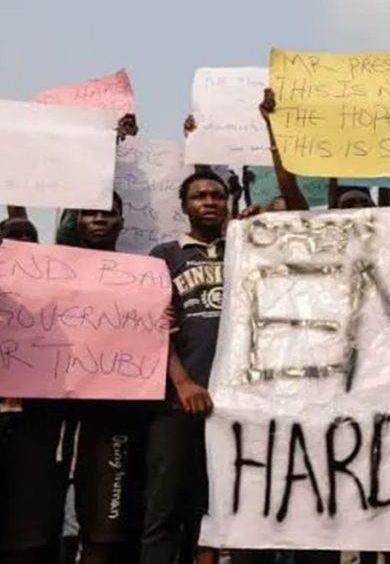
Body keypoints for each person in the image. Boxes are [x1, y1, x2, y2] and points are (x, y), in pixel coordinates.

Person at [0, 193, 149, 564]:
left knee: (103, 530)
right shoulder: (45, 269)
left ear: (121, 222)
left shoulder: (143, 276)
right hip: (45, 415)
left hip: (110, 418)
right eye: (89, 213)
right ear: (74, 221)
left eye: (108, 213)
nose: (99, 219)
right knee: (30, 528)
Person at [142, 171, 251, 564]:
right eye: (199, 196)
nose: (209, 202)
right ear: (184, 206)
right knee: (165, 510)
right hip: (179, 401)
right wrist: (183, 382)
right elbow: (152, 326)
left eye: (217, 196)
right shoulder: (165, 255)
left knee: (220, 511)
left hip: (236, 403)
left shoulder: (247, 248)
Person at [258, 88, 390, 211]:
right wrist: (274, 126)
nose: (358, 209)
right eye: (349, 204)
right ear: (334, 208)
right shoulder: (317, 229)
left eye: (365, 203)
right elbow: (289, 188)